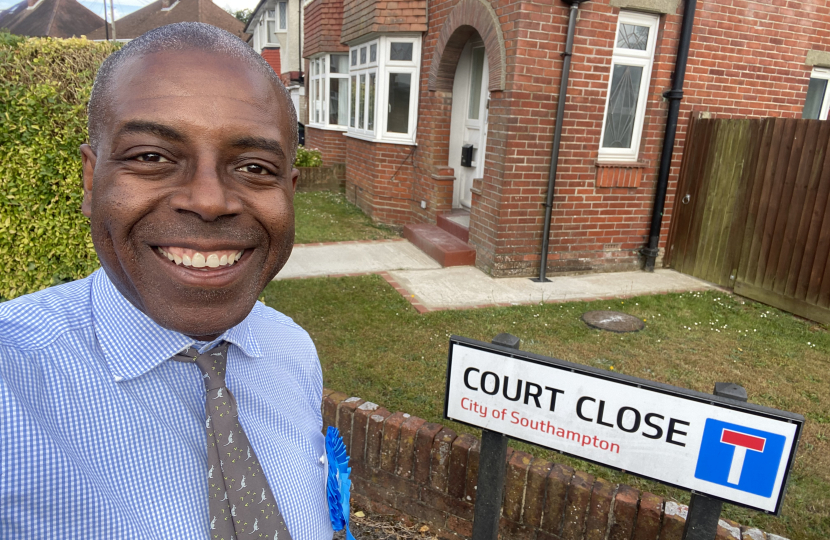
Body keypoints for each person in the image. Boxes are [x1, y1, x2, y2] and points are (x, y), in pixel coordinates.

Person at [0, 23, 332, 540]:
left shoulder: (292, 351)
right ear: (91, 180)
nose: (209, 200)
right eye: (151, 157)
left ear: (289, 190)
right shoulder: (11, 381)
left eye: (253, 166)